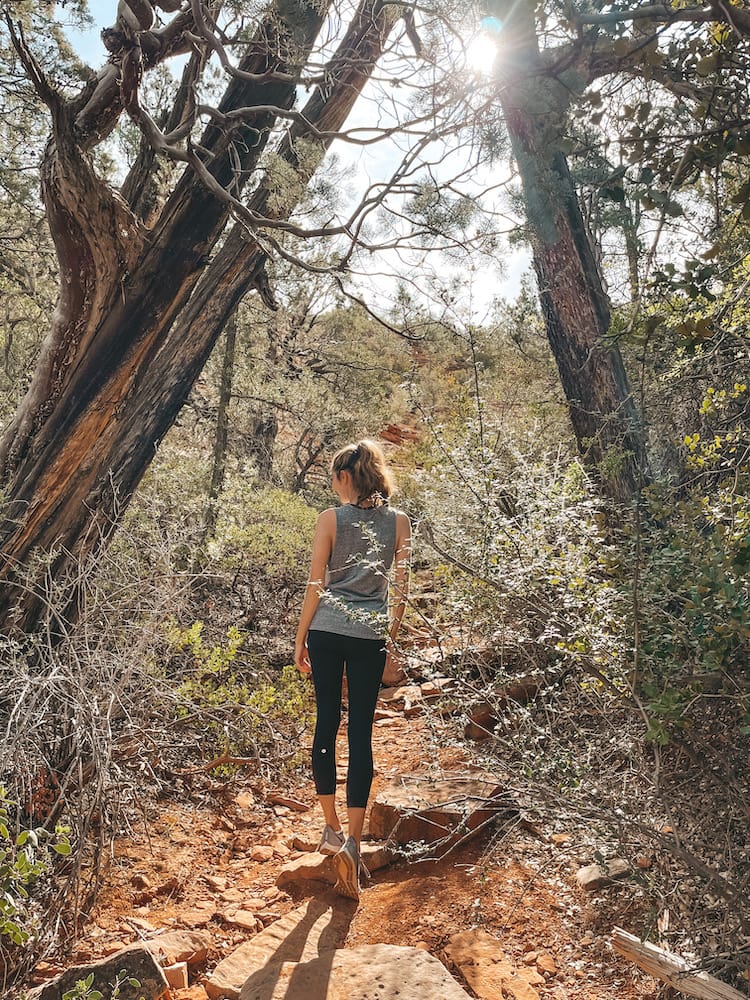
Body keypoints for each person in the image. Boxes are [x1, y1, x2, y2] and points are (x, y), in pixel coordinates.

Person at [294, 439, 411, 901]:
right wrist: (391, 636)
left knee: (327, 723)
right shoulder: (399, 522)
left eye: (334, 477)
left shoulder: (330, 519)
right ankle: (356, 844)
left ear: (346, 477)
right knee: (361, 732)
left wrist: (300, 637)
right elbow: (401, 589)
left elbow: (316, 583)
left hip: (326, 630)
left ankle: (330, 827)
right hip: (369, 636)